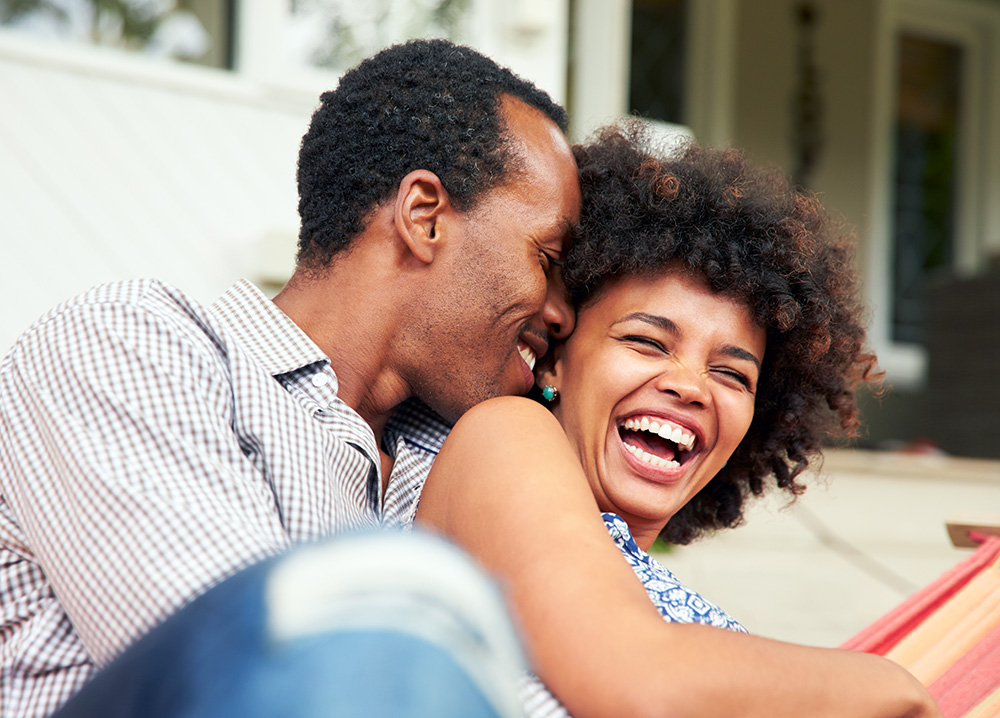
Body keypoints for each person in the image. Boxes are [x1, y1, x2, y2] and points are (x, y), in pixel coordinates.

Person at [0, 39, 579, 717]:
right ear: (424, 216)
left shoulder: (458, 458)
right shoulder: (130, 345)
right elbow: (246, 673)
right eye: (547, 257)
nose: (562, 312)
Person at [415, 124, 942, 718]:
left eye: (733, 375)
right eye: (647, 342)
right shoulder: (503, 435)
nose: (690, 386)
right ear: (558, 359)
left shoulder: (662, 607)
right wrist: (895, 688)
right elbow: (641, 682)